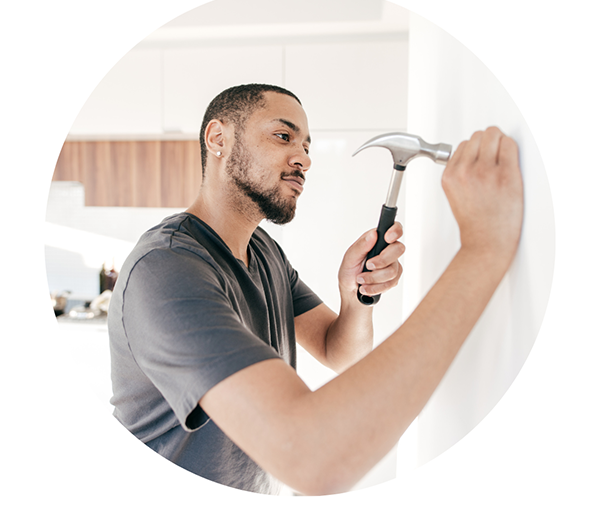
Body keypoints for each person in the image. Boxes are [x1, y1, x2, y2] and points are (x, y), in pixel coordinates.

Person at [108, 83, 524, 496]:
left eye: (307, 146)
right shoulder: (167, 268)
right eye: (283, 136)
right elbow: (310, 455)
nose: (303, 158)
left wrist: (354, 299)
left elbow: (341, 352)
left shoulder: (263, 251)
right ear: (218, 139)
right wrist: (483, 248)